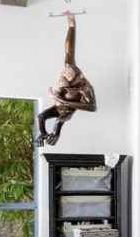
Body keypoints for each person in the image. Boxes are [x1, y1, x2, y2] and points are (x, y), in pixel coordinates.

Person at [35, 12, 97, 147]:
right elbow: (69, 50)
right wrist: (72, 25)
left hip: (68, 109)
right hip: (59, 105)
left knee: (58, 121)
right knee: (40, 117)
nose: (64, 77)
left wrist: (62, 101)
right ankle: (43, 134)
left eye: (68, 77)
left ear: (77, 79)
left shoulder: (85, 88)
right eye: (64, 74)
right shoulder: (70, 67)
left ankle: (55, 135)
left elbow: (93, 107)